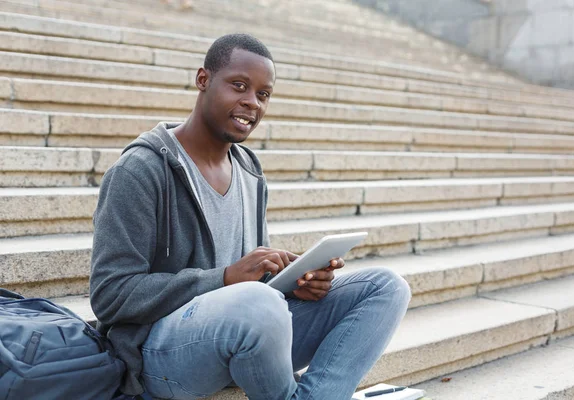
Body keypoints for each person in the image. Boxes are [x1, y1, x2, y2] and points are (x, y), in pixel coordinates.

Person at [90, 33, 411, 400]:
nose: (251, 103)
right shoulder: (141, 170)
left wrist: (294, 281)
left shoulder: (248, 170)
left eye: (263, 94)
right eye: (239, 86)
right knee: (258, 304)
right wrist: (226, 278)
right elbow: (110, 294)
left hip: (244, 329)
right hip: (159, 355)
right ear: (203, 80)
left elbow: (252, 280)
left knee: (386, 287)